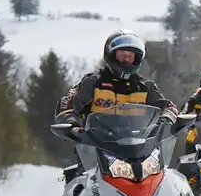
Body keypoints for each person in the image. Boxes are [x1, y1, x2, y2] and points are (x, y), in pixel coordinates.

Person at [54, 30, 179, 176]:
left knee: (172, 182)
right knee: (79, 187)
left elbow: (168, 107)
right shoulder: (93, 83)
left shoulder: (146, 87)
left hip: (141, 152)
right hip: (97, 150)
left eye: (130, 56)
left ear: (137, 59)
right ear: (111, 56)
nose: (126, 60)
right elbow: (67, 104)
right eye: (122, 56)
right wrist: (72, 124)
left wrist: (166, 121)